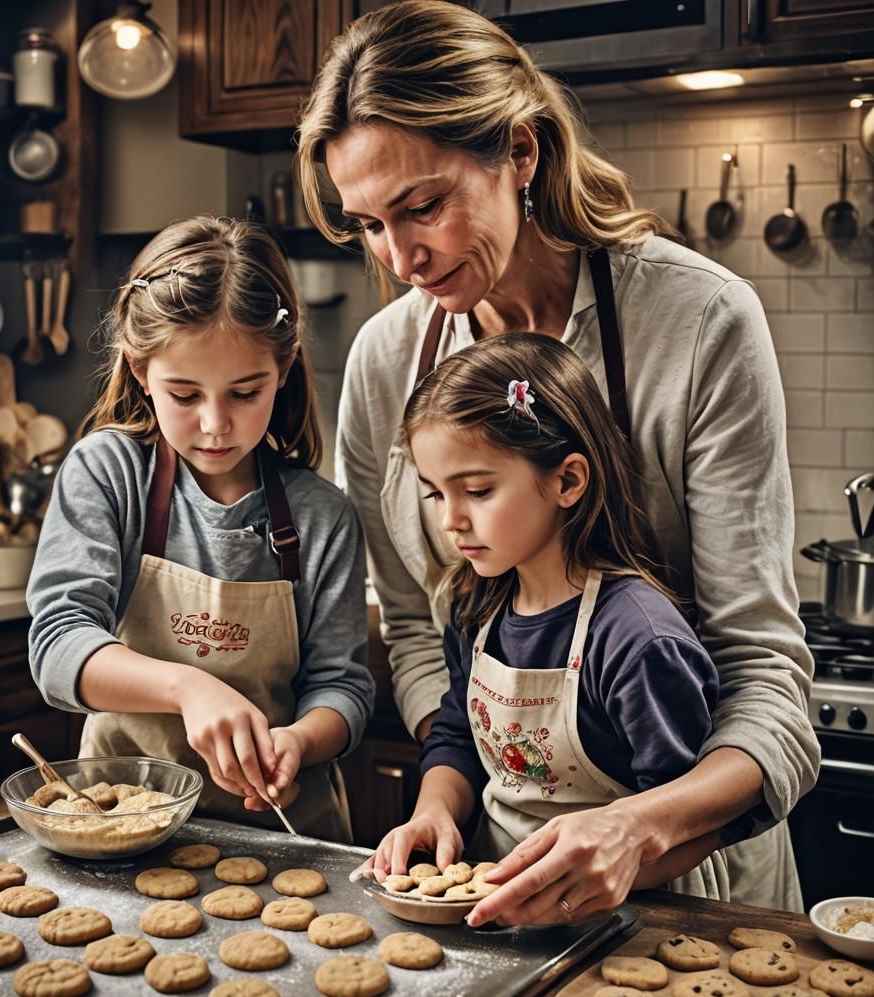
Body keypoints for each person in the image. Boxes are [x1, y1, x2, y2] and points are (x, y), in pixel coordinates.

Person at [296, 0, 819, 919]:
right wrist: (445, 790)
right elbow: (421, 632)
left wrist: (635, 829)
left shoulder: (698, 324)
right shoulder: (388, 361)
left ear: (522, 153)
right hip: (503, 885)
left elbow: (766, 676)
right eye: (368, 225)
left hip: (698, 881)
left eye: (423, 206)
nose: (402, 256)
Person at [27, 216, 375, 842]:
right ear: (139, 370)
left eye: (245, 392)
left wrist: (297, 742)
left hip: (284, 832)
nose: (216, 424)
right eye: (184, 395)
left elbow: (343, 689)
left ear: (286, 365)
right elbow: (57, 647)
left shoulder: (322, 517)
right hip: (124, 825)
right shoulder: (108, 474)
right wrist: (189, 688)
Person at [368, 334, 732, 921]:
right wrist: (433, 810)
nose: (450, 520)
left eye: (478, 491)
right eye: (436, 493)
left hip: (630, 915)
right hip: (499, 902)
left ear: (567, 481)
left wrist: (579, 889)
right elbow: (460, 735)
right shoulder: (475, 604)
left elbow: (690, 824)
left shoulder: (636, 638)